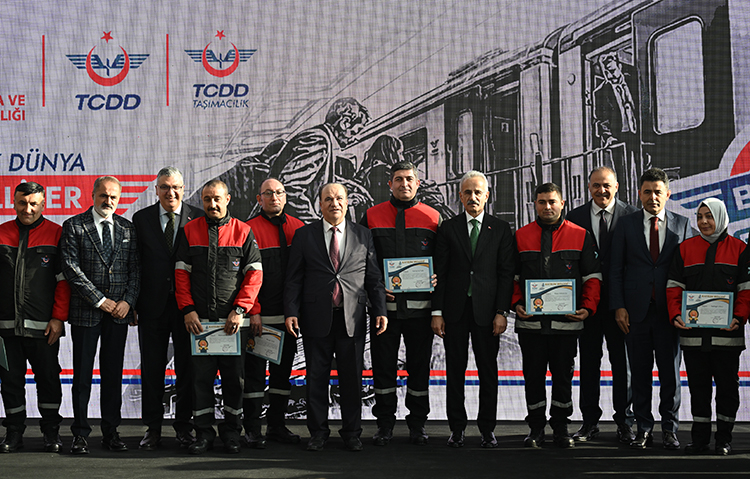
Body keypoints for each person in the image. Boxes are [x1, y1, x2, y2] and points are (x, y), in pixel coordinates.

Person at [284, 183, 387, 452]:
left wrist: (380, 310)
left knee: (351, 380)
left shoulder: (363, 235)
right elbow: (294, 279)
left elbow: (373, 278)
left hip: (352, 319)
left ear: (347, 201)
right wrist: (291, 312)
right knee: (316, 379)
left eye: (339, 198)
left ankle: (352, 433)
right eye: (328, 199)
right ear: (320, 204)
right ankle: (318, 433)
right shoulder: (304, 235)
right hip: (315, 319)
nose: (334, 203)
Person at [175, 179, 263, 455]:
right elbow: (181, 275)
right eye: (207, 199)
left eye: (217, 199)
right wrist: (188, 309)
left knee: (234, 381)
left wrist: (240, 310)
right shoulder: (190, 231)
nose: (212, 204)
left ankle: (231, 433)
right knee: (200, 381)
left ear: (228, 199)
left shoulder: (243, 231)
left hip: (232, 325)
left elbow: (255, 275)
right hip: (200, 324)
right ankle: (203, 434)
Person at [609, 167, 694, 450]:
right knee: (639, 375)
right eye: (647, 192)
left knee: (671, 375)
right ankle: (643, 429)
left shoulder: (683, 225)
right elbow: (615, 270)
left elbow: (690, 271)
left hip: (670, 314)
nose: (652, 197)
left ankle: (670, 429)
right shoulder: (626, 225)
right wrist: (619, 307)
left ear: (667, 194)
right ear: (639, 194)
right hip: (635, 313)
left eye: (658, 192)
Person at [513, 182, 601, 448]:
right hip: (531, 325)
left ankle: (561, 428)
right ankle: (536, 428)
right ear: (535, 204)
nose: (547, 207)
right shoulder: (521, 236)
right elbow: (511, 278)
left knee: (563, 378)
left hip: (566, 325)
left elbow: (592, 277)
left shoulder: (580, 235)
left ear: (562, 204)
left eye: (552, 201)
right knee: (533, 377)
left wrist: (588, 307)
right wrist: (516, 303)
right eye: (542, 202)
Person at [360, 160, 441, 446]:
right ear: (390, 184)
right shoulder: (371, 216)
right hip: (384, 313)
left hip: (421, 312)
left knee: (419, 369)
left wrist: (437, 276)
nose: (404, 184)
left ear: (418, 183)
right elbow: (361, 261)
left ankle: (418, 424)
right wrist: (375, 289)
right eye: (398, 179)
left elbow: (443, 260)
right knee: (383, 368)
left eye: (409, 179)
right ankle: (384, 425)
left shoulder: (433, 217)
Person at [431, 171, 514, 448]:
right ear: (460, 196)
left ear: (487, 196)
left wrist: (502, 311)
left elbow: (505, 274)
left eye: (478, 192)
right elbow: (440, 273)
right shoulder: (448, 228)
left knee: (488, 372)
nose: (473, 197)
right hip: (455, 312)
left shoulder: (500, 229)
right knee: (455, 372)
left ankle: (487, 429)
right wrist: (437, 312)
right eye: (467, 192)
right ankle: (457, 429)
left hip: (487, 313)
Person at [61, 176, 140, 454]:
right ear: (93, 195)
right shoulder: (74, 225)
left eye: (113, 197)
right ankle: (80, 434)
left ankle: (111, 432)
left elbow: (135, 270)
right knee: (82, 377)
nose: (108, 201)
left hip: (119, 314)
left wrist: (128, 301)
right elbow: (71, 268)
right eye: (104, 195)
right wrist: (101, 300)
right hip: (87, 312)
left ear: (119, 199)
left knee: (113, 375)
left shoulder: (127, 228)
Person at [666, 198, 749, 455]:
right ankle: (699, 440)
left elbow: (746, 290)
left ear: (721, 217)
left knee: (727, 389)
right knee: (698, 389)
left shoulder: (740, 249)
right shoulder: (684, 249)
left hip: (727, 336)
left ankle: (724, 439)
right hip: (693, 337)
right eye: (700, 216)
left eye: (709, 216)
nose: (703, 222)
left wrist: (739, 317)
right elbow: (673, 288)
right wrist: (675, 315)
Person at [132, 166, 204, 450]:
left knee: (188, 370)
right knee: (152, 370)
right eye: (164, 187)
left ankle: (184, 427)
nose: (170, 192)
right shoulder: (141, 219)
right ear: (156, 190)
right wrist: (133, 302)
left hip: (189, 309)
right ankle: (152, 428)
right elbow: (135, 264)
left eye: (175, 187)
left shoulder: (198, 217)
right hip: (152, 306)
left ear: (183, 189)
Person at [565, 166, 637, 443]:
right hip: (587, 306)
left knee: (623, 365)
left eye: (606, 185)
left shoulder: (632, 216)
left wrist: (624, 303)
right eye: (596, 185)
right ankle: (589, 423)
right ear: (588, 187)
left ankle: (625, 423)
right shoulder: (575, 217)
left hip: (621, 306)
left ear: (616, 186)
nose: (601, 190)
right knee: (588, 363)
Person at [0, 182, 70, 453]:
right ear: (13, 202)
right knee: (10, 382)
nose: (27, 209)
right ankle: (14, 433)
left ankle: (51, 432)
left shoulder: (56, 233)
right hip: (6, 329)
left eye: (33, 204)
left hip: (44, 328)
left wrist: (58, 318)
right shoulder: (2, 233)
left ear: (43, 204)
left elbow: (63, 281)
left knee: (49, 379)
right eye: (22, 203)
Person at [243, 178, 305, 448]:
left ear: (286, 196)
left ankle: (277, 427)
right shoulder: (248, 230)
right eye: (268, 193)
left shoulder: (299, 229)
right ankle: (252, 429)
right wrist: (253, 311)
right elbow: (245, 277)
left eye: (279, 192)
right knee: (255, 376)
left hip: (289, 319)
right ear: (259, 199)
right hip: (260, 319)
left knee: (282, 376)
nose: (274, 197)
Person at [268, 98, 371, 223]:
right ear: (344, 123)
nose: (356, 138)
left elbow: (318, 178)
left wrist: (351, 187)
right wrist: (315, 225)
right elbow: (290, 190)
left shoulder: (321, 137)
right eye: (357, 130)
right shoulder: (319, 140)